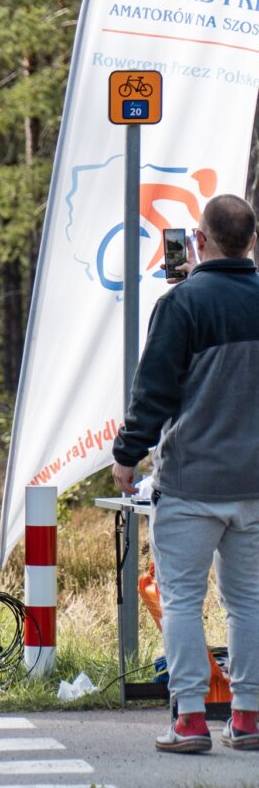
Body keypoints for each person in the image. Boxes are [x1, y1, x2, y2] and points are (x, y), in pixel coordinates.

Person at [112, 193, 259, 754]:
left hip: (191, 483)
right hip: (254, 486)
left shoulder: (182, 304)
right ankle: (247, 718)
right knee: (248, 603)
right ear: (251, 241)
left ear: (198, 240)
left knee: (181, 601)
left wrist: (128, 454)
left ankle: (191, 721)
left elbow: (154, 390)